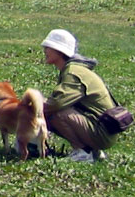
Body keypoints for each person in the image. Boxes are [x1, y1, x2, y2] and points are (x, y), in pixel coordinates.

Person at [39, 28, 118, 162]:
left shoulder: (73, 73)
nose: (45, 51)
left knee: (54, 113)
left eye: (48, 47)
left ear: (59, 51)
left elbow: (57, 104)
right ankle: (94, 152)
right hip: (104, 130)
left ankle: (82, 152)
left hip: (102, 133)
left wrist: (30, 107)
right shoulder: (75, 69)